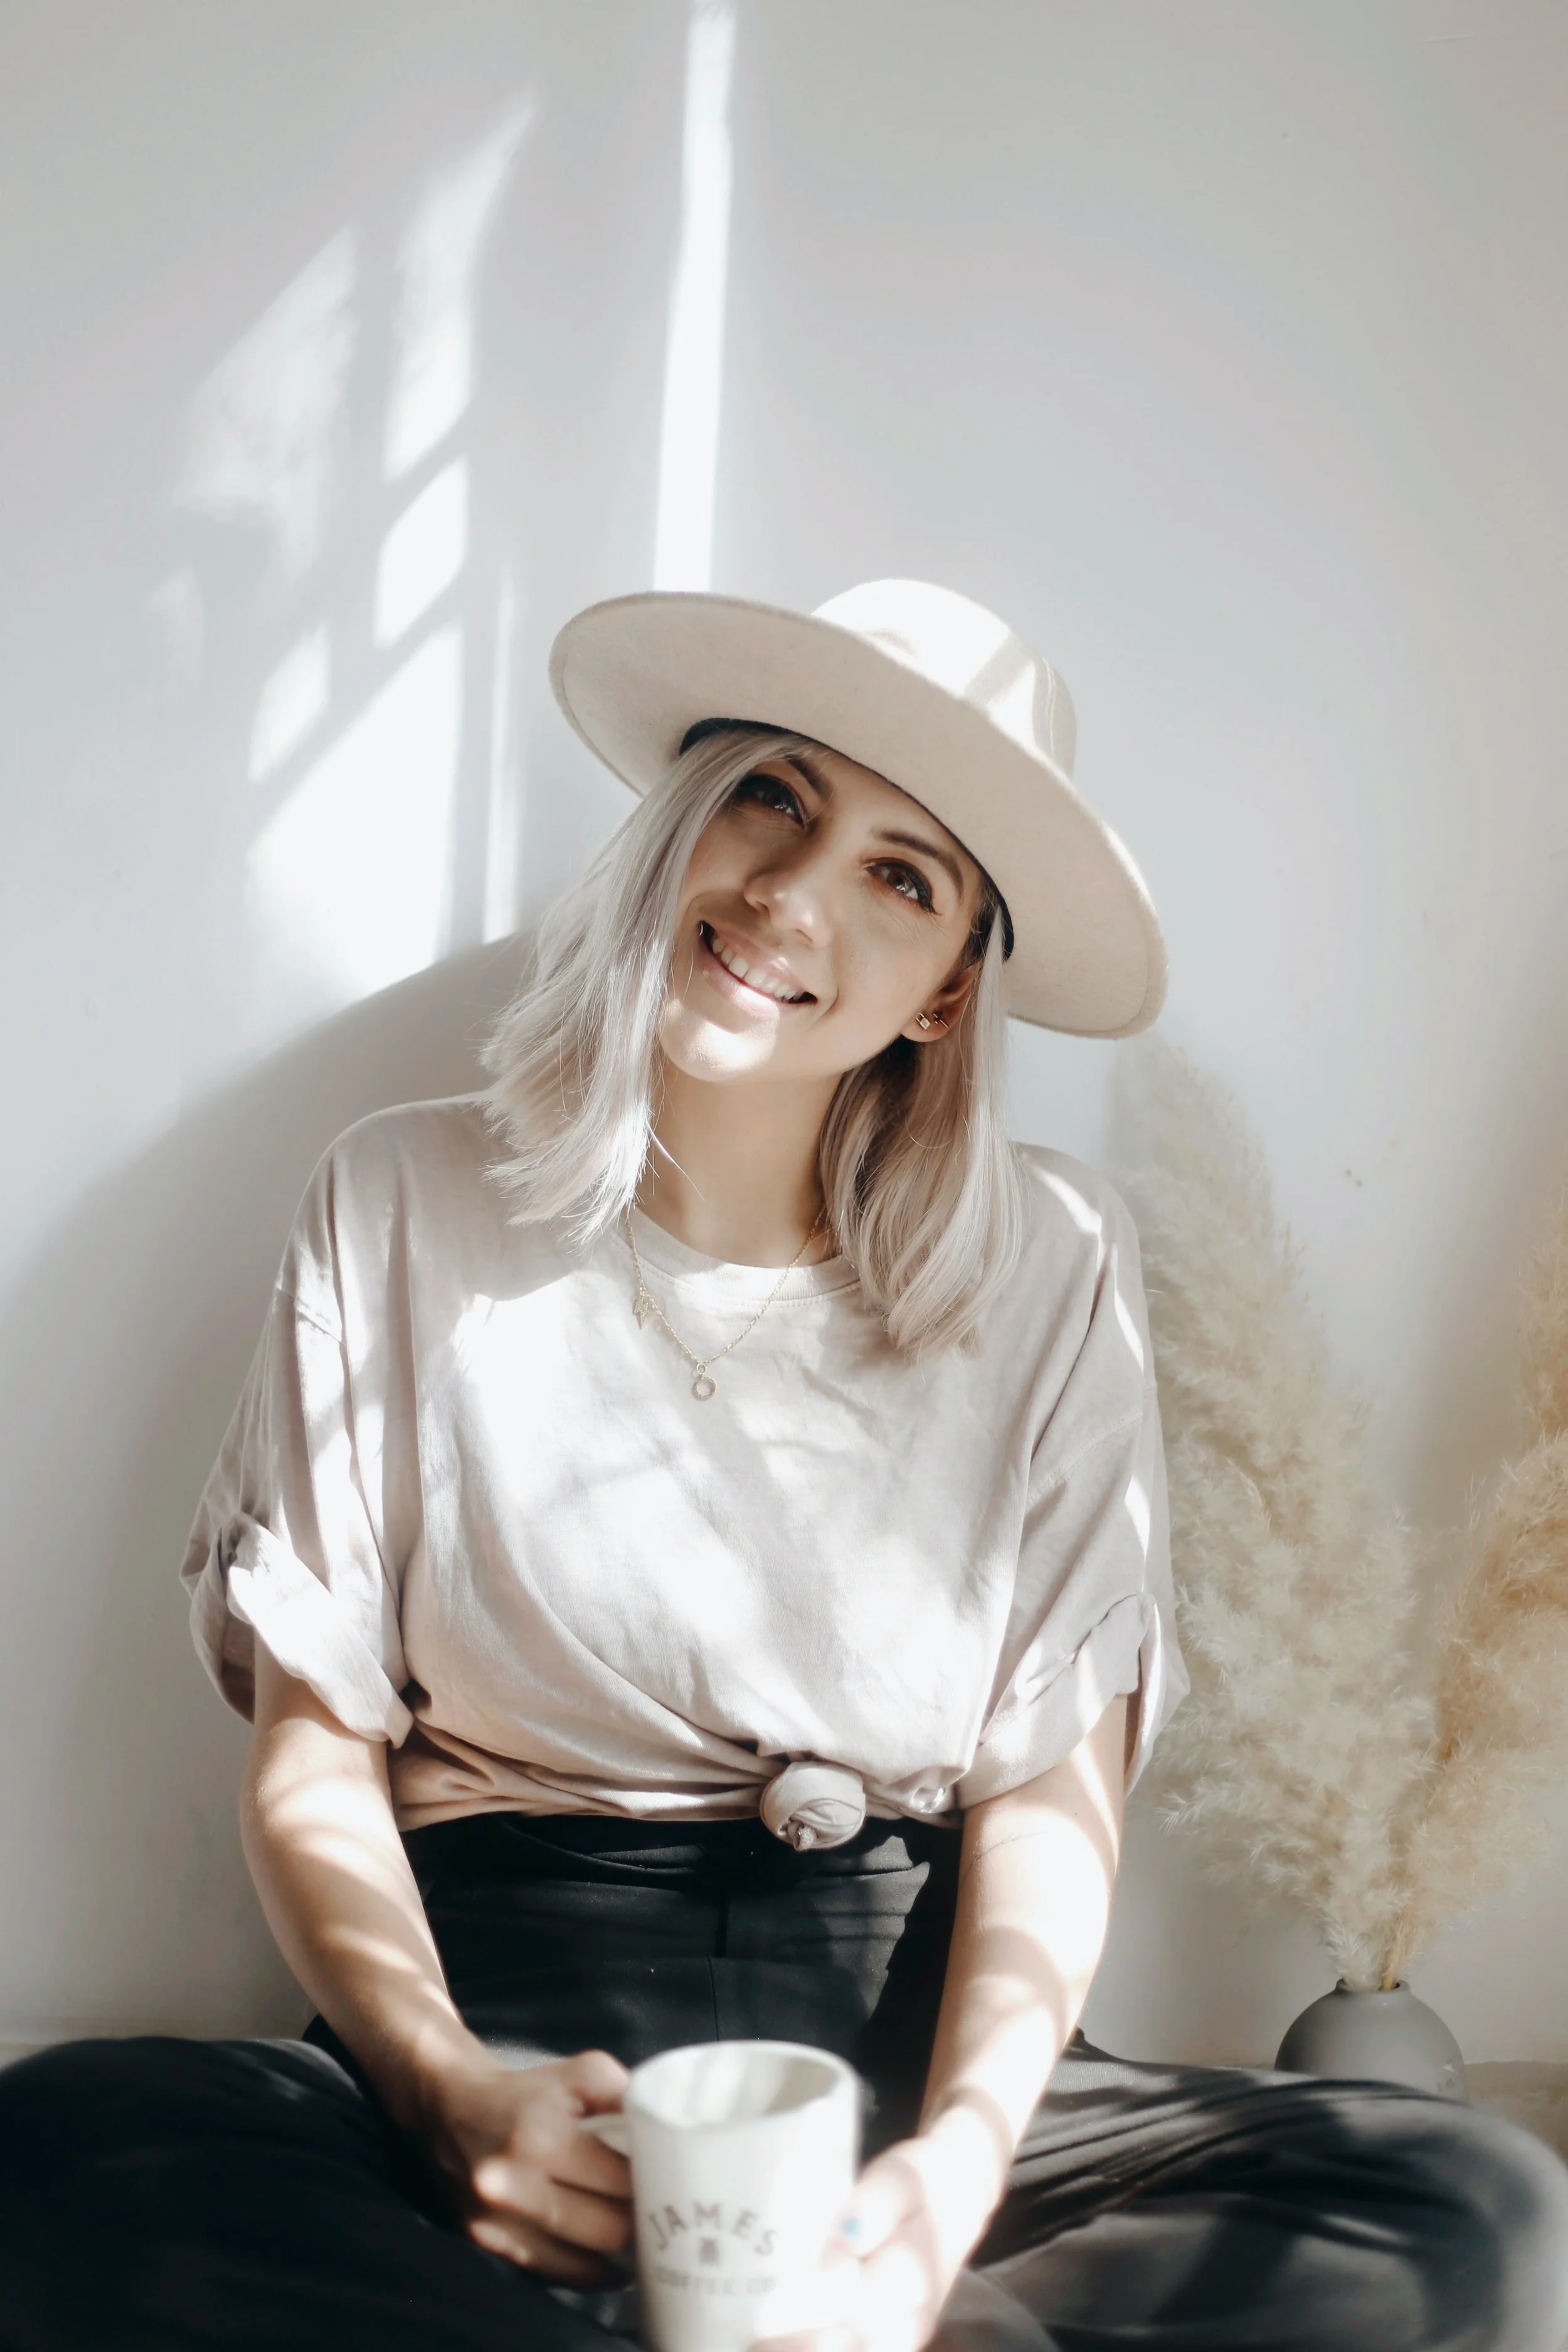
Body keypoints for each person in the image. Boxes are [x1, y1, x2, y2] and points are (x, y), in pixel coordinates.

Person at [1, 579, 1565, 2352]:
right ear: (682, 822)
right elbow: (310, 1751)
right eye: (772, 797)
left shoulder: (1049, 1255)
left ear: (949, 990)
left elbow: (1052, 1802)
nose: (790, 893)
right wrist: (446, 2092)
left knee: (1469, 2196)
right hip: (505, 2025)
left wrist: (943, 2185)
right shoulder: (400, 1196)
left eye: (902, 875)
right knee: (63, 2144)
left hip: (907, 2042)